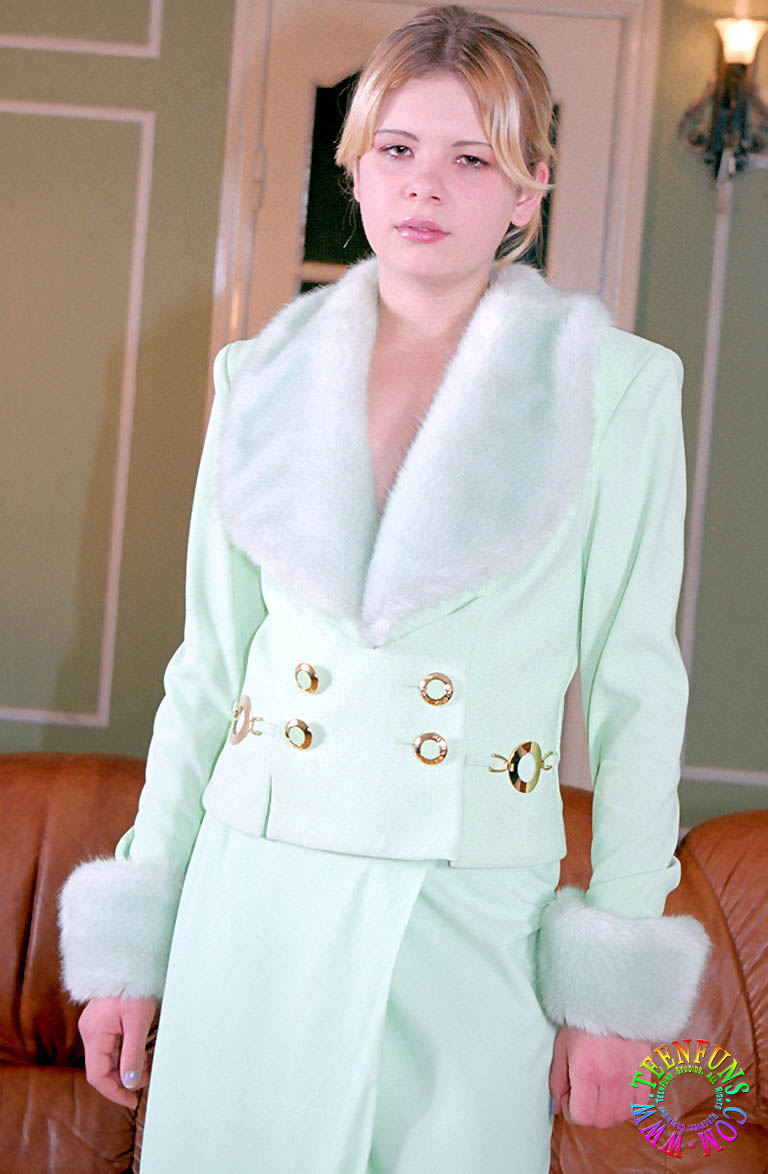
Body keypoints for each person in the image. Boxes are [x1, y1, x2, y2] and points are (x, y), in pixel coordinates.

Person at [58, 6, 710, 1172]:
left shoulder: (615, 388)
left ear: (530, 189)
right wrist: (133, 942)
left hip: (468, 908)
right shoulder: (257, 378)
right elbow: (206, 672)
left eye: (473, 158)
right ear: (355, 166)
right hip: (253, 889)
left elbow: (636, 690)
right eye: (398, 148)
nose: (426, 185)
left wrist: (615, 979)